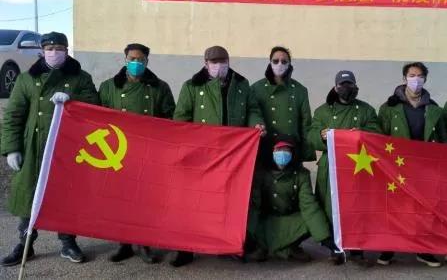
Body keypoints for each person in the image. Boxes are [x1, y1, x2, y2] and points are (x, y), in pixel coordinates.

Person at [1, 32, 99, 266]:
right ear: (42, 51)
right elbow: (13, 115)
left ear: (66, 50)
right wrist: (12, 148)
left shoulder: (80, 77)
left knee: (66, 195)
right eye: (49, 49)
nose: (54, 53)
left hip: (67, 147)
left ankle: (68, 242)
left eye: (59, 49)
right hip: (34, 147)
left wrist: (71, 99)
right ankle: (25, 243)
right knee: (30, 195)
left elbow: (94, 104)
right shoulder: (27, 78)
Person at [171, 45, 265, 267]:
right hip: (202, 155)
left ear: (229, 62)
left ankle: (228, 245)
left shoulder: (241, 85)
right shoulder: (192, 86)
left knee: (229, 201)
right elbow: (181, 119)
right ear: (205, 64)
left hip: (233, 154)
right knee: (194, 202)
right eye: (214, 62)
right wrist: (187, 149)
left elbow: (252, 110)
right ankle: (186, 248)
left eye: (223, 61)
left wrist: (256, 124)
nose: (219, 66)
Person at [98, 43, 176, 264]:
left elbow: (171, 118)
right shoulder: (108, 87)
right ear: (125, 59)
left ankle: (143, 243)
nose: (136, 63)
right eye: (132, 59)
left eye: (140, 60)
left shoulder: (160, 87)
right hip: (118, 151)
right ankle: (123, 243)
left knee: (145, 199)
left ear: (147, 61)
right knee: (120, 198)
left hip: (148, 151)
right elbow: (97, 117)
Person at [376, 62, 447, 267]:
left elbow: (444, 139)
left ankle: (423, 250)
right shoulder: (389, 107)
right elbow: (379, 137)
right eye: (412, 75)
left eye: (420, 76)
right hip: (396, 166)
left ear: (425, 79)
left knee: (424, 208)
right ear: (404, 78)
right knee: (395, 207)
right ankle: (389, 247)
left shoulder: (434, 108)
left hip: (424, 167)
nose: (416, 79)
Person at [307, 70, 379, 259]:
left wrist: (361, 133)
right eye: (342, 84)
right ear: (335, 87)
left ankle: (357, 247)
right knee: (332, 206)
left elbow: (377, 133)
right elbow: (311, 135)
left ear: (356, 87)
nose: (346, 88)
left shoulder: (366, 110)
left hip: (358, 166)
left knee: (356, 206)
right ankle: (335, 248)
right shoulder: (322, 111)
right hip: (331, 166)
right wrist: (321, 135)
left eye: (350, 84)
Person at [246, 137, 342, 263]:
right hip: (265, 221)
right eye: (278, 150)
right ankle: (264, 247)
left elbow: (309, 205)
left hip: (290, 220)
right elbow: (255, 205)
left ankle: (288, 247)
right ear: (272, 152)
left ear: (293, 153)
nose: (282, 153)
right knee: (249, 217)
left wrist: (326, 239)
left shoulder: (302, 174)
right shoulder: (261, 174)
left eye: (287, 150)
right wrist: (247, 234)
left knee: (311, 220)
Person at [251, 47, 314, 167]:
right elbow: (252, 113)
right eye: (275, 61)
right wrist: (257, 124)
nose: (279, 64)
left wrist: (305, 152)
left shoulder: (300, 90)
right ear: (270, 63)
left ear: (289, 64)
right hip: (265, 147)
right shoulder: (256, 88)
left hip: (290, 149)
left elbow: (305, 123)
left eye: (284, 61)